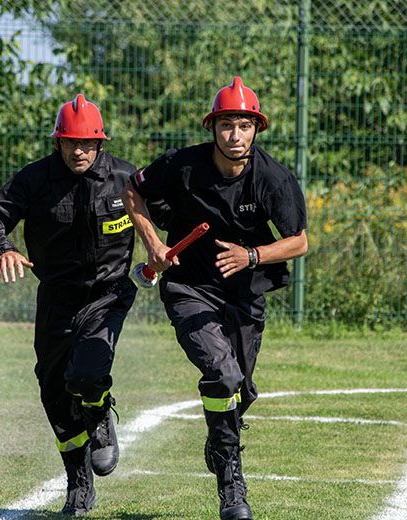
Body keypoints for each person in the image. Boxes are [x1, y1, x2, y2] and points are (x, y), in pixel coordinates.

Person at [122, 76, 308, 520]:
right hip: (190, 289)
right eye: (226, 124)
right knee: (223, 374)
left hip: (245, 295)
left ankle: (217, 436)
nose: (235, 135)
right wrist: (152, 242)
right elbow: (132, 188)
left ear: (256, 129)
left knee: (240, 391)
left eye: (244, 125)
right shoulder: (182, 166)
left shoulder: (274, 178)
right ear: (213, 128)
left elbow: (299, 242)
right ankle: (232, 487)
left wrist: (252, 255)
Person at [0, 94, 138, 516]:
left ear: (101, 144)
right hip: (56, 299)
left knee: (86, 373)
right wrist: (2, 249)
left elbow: (172, 213)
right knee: (54, 393)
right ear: (57, 142)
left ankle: (100, 413)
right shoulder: (35, 180)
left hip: (109, 294)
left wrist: (164, 249)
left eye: (87, 144)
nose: (79, 151)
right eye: (70, 143)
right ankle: (78, 485)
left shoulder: (127, 179)